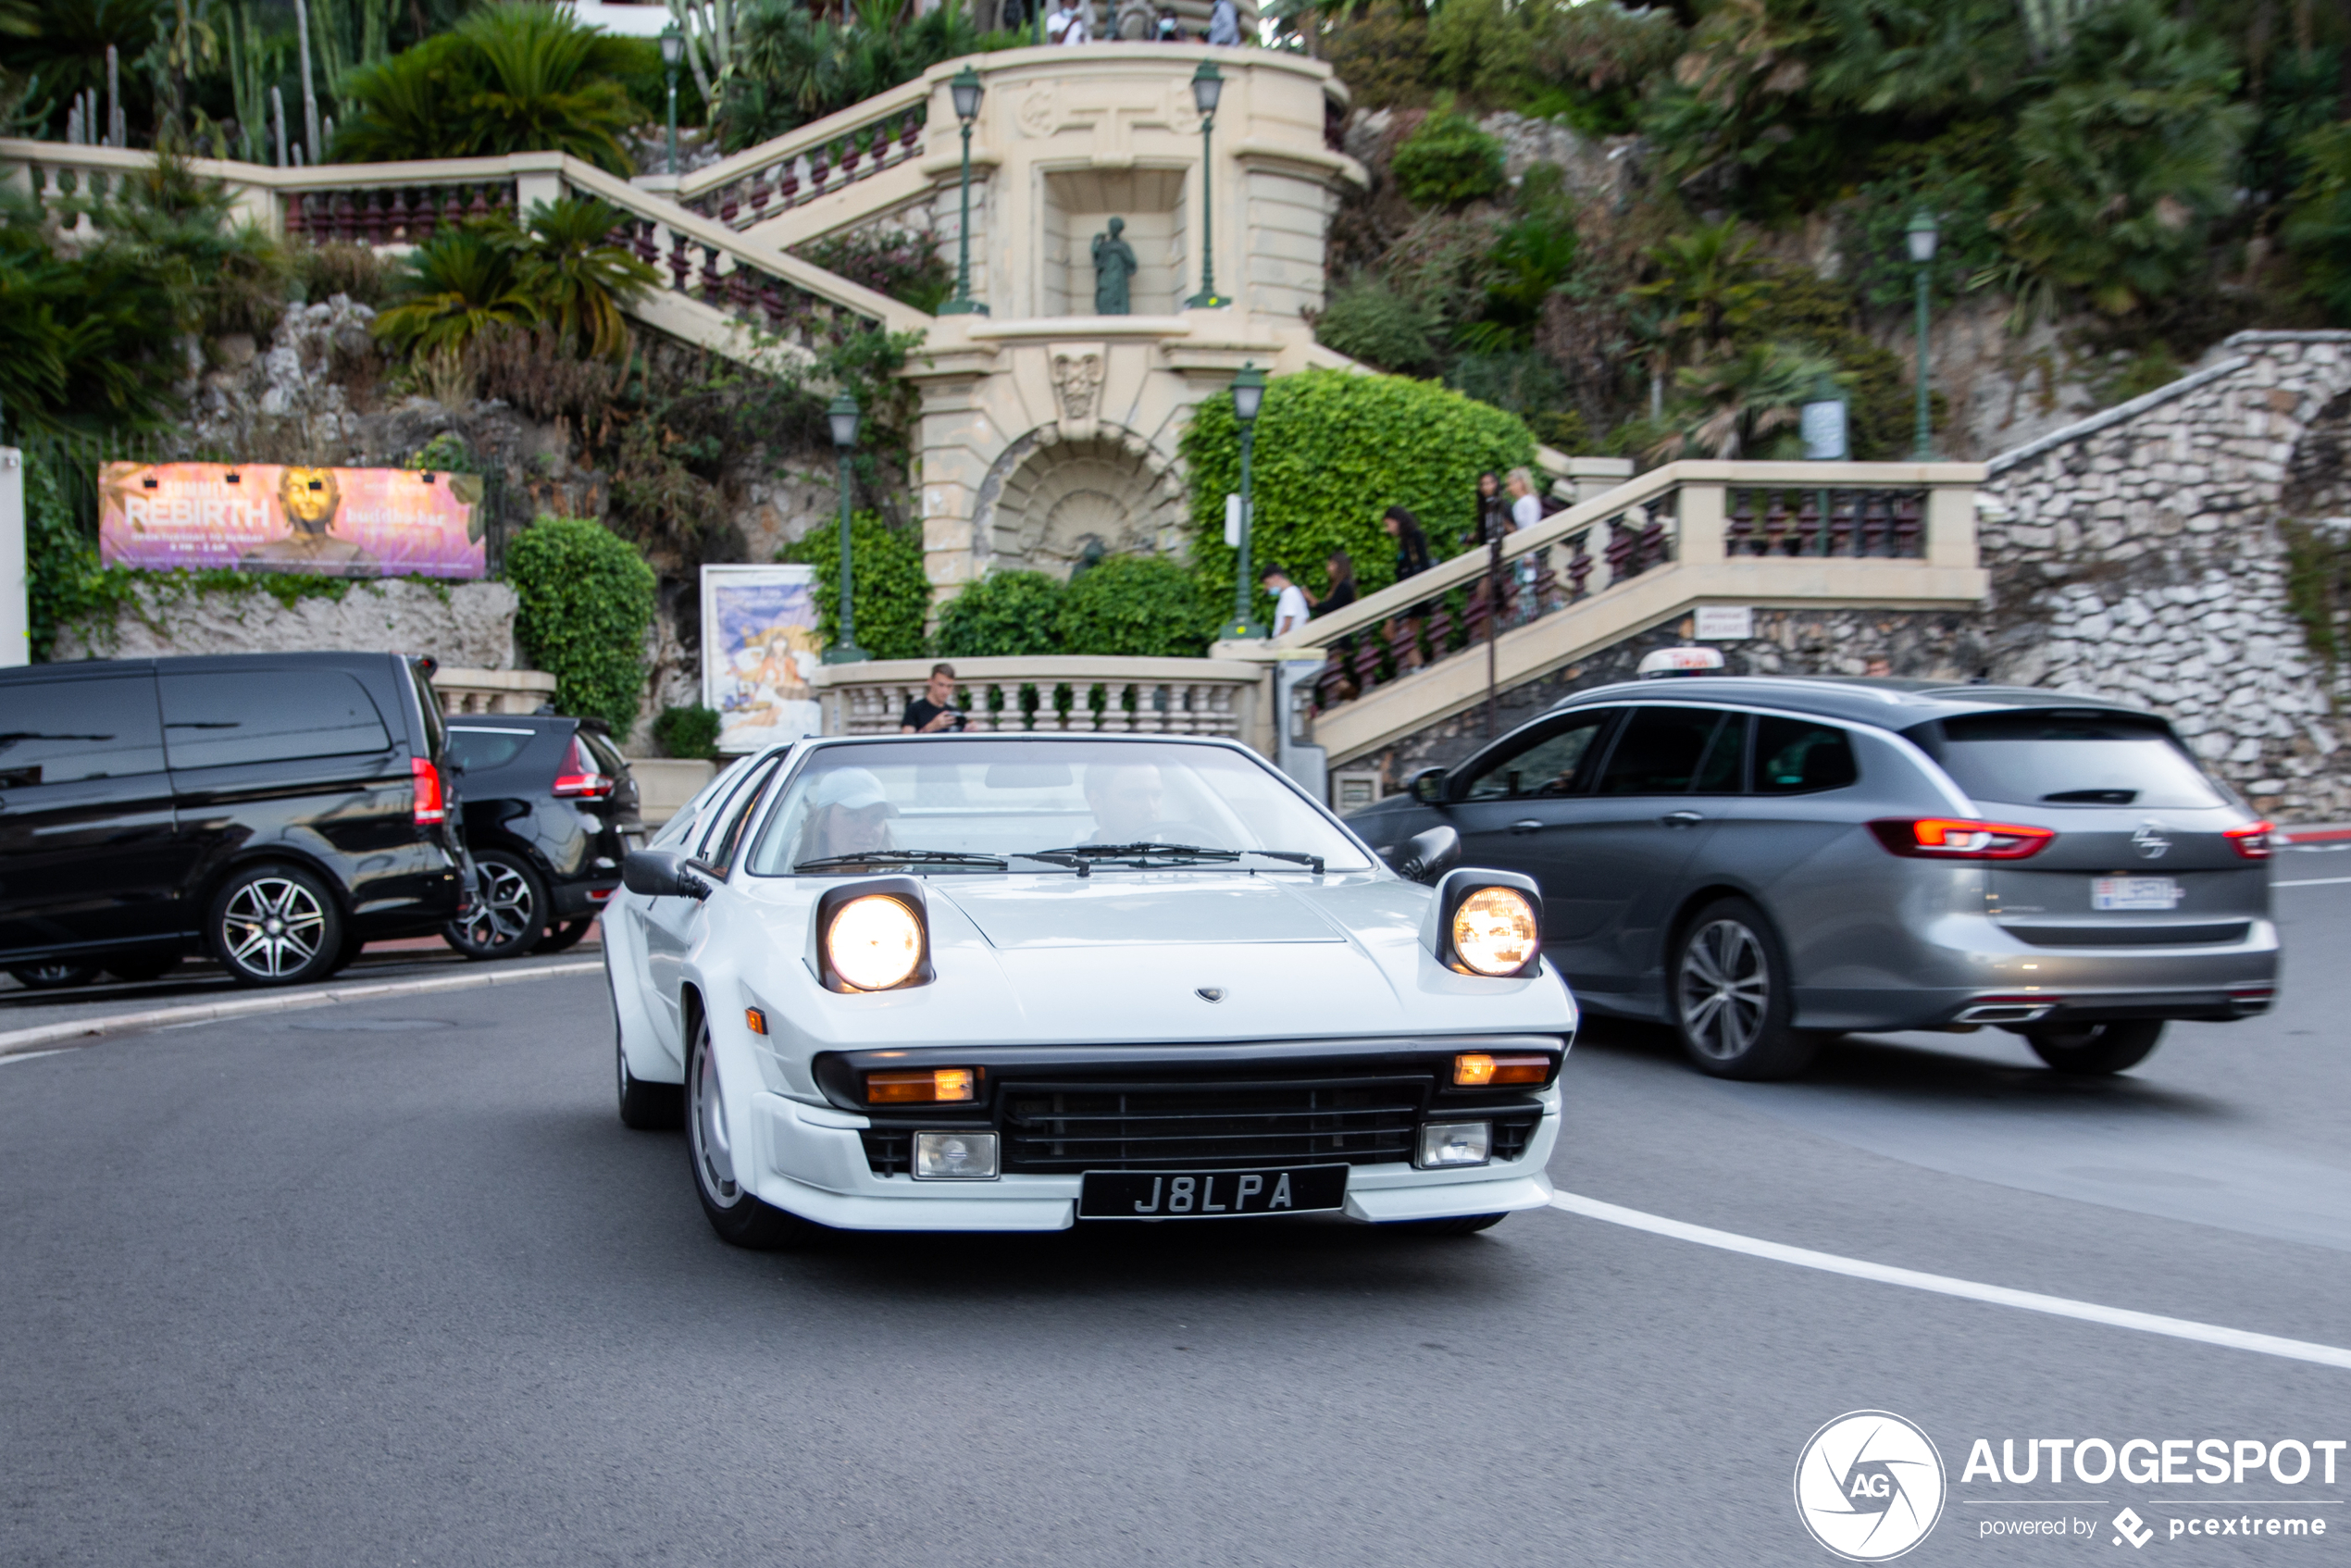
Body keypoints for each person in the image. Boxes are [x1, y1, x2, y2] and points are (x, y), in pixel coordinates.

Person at [240, 466, 379, 576]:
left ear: (335, 501)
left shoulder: (357, 557)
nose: (308, 498)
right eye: (296, 489)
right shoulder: (260, 555)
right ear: (283, 501)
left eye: (316, 488)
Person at [796, 768, 897, 865]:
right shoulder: (796, 880)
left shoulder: (900, 879)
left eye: (876, 818)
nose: (866, 831)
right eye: (854, 816)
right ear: (824, 821)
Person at [1083, 760, 1165, 843]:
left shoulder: (1176, 852)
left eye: (1157, 795)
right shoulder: (1074, 856)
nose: (1151, 808)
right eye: (1134, 796)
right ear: (1095, 801)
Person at [900, 663, 966, 733]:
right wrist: (931, 727)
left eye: (949, 686)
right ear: (931, 682)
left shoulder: (955, 712)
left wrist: (969, 730)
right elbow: (907, 741)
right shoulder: (914, 710)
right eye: (941, 685)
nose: (945, 691)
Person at [1263, 564, 1312, 638]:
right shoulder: (1293, 592)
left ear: (1276, 577)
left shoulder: (1289, 594)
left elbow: (1287, 623)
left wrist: (1277, 643)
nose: (1266, 588)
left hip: (1289, 643)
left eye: (1267, 583)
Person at [1313, 549, 1358, 616]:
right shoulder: (1344, 584)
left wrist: (1316, 603)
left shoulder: (1344, 586)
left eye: (1331, 565)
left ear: (1339, 566)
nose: (1328, 569)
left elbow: (1331, 608)